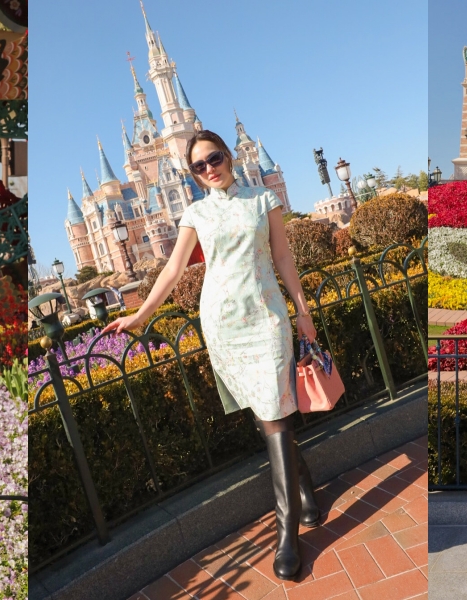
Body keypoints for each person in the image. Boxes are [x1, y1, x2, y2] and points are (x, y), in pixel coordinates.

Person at [102, 130, 319, 581]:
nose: (209, 170)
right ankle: (306, 490)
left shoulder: (262, 200)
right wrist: (139, 317)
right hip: (224, 325)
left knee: (276, 414)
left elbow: (282, 258)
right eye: (198, 166)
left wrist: (303, 312)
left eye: (214, 159)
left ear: (230, 156)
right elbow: (173, 269)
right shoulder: (195, 213)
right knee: (267, 414)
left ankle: (287, 536)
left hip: (266, 318)